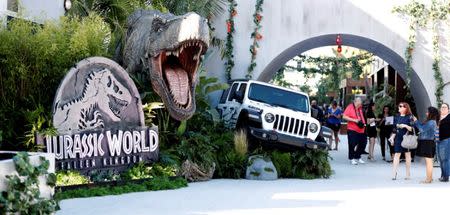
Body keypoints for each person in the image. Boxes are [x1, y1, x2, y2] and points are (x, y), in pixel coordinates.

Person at [388, 102, 414, 180]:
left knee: (407, 155)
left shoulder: (410, 117)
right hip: (398, 138)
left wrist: (405, 126)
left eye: (401, 106)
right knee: (396, 155)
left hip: (406, 138)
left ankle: (408, 174)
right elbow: (394, 129)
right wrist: (392, 137)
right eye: (399, 106)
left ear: (406, 108)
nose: (399, 107)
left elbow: (413, 128)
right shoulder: (396, 117)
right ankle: (394, 173)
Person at [413, 106, 439, 183]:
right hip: (429, 142)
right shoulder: (432, 122)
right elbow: (423, 127)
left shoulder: (431, 122)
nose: (426, 113)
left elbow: (421, 129)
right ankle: (430, 178)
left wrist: (416, 121)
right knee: (429, 162)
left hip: (427, 143)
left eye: (427, 112)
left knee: (428, 162)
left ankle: (428, 179)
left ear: (431, 113)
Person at [343, 97, 367, 165]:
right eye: (359, 103)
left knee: (363, 144)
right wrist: (355, 120)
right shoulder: (350, 107)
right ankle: (351, 158)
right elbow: (344, 116)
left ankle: (357, 156)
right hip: (352, 129)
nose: (360, 105)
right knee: (352, 144)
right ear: (356, 102)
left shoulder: (360, 108)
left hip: (361, 129)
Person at [437, 103, 450, 182]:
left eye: (445, 107)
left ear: (448, 109)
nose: (443, 108)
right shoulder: (438, 118)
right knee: (440, 159)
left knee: (445, 159)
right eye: (442, 107)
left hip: (446, 140)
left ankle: (446, 176)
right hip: (438, 140)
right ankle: (443, 175)